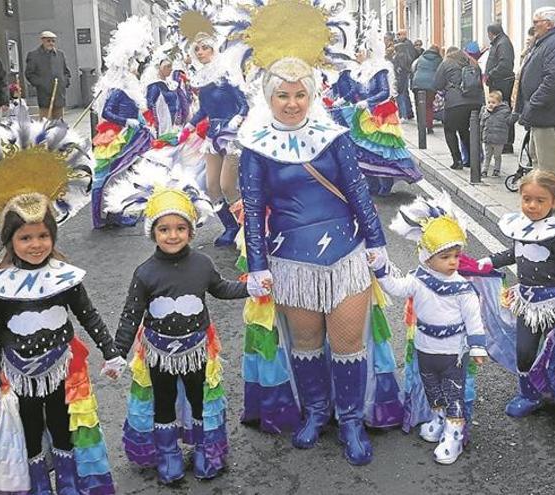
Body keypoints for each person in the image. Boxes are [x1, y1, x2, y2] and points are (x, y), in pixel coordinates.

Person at [0, 114, 119, 494]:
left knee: (65, 429)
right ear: (10, 240)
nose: (36, 245)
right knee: (30, 433)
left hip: (62, 371)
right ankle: (37, 488)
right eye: (26, 237)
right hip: (19, 377)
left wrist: (110, 352)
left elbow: (88, 314)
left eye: (43, 235)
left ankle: (68, 484)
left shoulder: (65, 276)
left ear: (53, 235)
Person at [239, 56, 403, 466]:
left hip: (346, 257)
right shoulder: (255, 146)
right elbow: (255, 210)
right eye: (283, 95)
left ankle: (350, 420)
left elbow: (359, 192)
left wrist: (376, 242)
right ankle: (315, 410)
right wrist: (257, 265)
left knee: (348, 344)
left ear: (312, 95)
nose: (292, 103)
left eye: (299, 94)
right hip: (291, 263)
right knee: (306, 343)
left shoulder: (334, 136)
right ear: (268, 97)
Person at [108, 166, 247, 484]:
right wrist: (117, 352)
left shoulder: (202, 264)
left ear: (191, 231)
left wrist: (250, 287)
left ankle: (204, 449)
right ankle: (168, 453)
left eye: (180, 228)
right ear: (152, 233)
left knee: (200, 399)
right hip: (158, 354)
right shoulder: (145, 273)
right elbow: (131, 315)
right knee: (163, 401)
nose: (172, 235)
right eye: (164, 229)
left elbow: (221, 288)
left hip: (197, 350)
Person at [369, 193, 487, 464]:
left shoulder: (463, 288)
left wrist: (478, 346)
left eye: (456, 255)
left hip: (453, 352)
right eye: (445, 256)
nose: (453, 262)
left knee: (453, 391)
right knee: (432, 388)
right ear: (426, 256)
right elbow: (396, 289)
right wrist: (380, 268)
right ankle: (438, 419)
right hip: (425, 348)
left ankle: (454, 435)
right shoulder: (418, 278)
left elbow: (473, 318)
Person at [477, 170, 555, 417]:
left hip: (554, 305)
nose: (532, 205)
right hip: (526, 303)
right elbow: (515, 252)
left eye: (540, 200)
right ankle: (528, 394)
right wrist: (489, 261)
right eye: (527, 199)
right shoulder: (522, 227)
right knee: (525, 351)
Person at [178, 32, 248, 248]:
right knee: (212, 187)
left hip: (232, 136)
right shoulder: (202, 78)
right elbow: (205, 110)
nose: (200, 53)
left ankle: (247, 230)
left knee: (228, 186)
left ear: (214, 49)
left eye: (204, 48)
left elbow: (244, 103)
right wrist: (189, 126)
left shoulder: (227, 73)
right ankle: (231, 227)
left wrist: (237, 119)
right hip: (213, 135)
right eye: (197, 49)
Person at [331, 31, 422, 196]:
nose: (360, 53)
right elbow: (355, 90)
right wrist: (342, 100)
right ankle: (371, 183)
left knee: (381, 152)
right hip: (362, 115)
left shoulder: (381, 69)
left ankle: (385, 184)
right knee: (363, 151)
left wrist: (368, 102)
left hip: (379, 114)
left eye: (364, 50)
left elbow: (384, 92)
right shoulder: (361, 70)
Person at [90, 16, 155, 229]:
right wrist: (126, 121)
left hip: (127, 134)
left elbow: (137, 110)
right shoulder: (118, 89)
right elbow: (107, 112)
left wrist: (141, 123)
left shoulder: (130, 86)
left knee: (120, 174)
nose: (137, 66)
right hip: (115, 136)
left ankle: (115, 214)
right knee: (108, 174)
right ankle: (101, 218)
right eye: (134, 63)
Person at [516, 7, 555, 203]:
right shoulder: (547, 42)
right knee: (537, 159)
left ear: (548, 24)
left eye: (536, 22)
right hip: (540, 113)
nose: (533, 27)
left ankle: (554, 203)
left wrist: (533, 103)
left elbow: (554, 80)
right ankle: (542, 200)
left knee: (548, 163)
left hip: (546, 113)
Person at [434, 46, 483, 169]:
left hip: (455, 102)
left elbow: (437, 84)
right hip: (475, 102)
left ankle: (457, 160)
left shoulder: (446, 63)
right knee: (465, 130)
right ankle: (472, 160)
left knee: (450, 130)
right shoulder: (473, 63)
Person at [25, 31, 71, 120]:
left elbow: (66, 71)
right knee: (45, 123)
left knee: (59, 124)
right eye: (48, 41)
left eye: (53, 41)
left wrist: (64, 82)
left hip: (59, 95)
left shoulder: (60, 54)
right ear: (42, 41)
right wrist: (41, 84)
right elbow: (29, 74)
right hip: (44, 96)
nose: (51, 43)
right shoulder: (34, 55)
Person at [485, 23, 516, 152]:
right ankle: (502, 142)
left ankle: (506, 143)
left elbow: (505, 64)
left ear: (491, 33)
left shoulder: (502, 43)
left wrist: (490, 74)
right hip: (498, 82)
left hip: (502, 83)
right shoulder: (500, 42)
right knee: (499, 111)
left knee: (503, 111)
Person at [480, 90, 512, 177]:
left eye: (493, 102)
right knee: (487, 155)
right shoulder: (485, 111)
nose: (490, 104)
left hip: (499, 139)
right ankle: (484, 170)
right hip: (488, 138)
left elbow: (509, 122)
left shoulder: (504, 111)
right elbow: (481, 123)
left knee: (497, 156)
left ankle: (496, 170)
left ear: (499, 102)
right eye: (489, 102)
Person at [411, 45, 442, 133]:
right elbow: (441, 73)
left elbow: (413, 68)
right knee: (429, 106)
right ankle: (429, 126)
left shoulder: (420, 58)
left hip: (417, 83)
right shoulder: (439, 60)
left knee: (419, 106)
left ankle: (420, 126)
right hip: (430, 85)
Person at [393, 30, 417, 119]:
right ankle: (408, 113)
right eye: (397, 34)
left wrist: (402, 67)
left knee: (402, 92)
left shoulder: (406, 45)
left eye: (399, 34)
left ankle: (404, 114)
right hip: (405, 71)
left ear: (404, 35)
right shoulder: (403, 45)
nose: (398, 36)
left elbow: (408, 58)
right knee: (404, 92)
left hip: (404, 71)